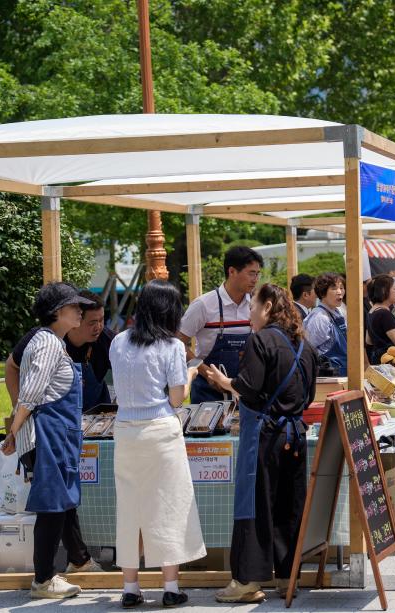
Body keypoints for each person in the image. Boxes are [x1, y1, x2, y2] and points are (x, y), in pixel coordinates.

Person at [208, 284, 319, 603]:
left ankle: (246, 581)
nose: (249, 314)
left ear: (268, 306)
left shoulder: (260, 340)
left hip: (264, 434)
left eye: (252, 308)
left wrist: (223, 382)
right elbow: (308, 394)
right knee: (288, 506)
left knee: (254, 505)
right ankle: (287, 577)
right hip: (295, 434)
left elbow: (250, 388)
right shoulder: (303, 343)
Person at [109, 281, 205, 608]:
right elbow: (178, 399)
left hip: (124, 430)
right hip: (161, 429)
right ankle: (170, 586)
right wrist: (191, 376)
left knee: (130, 508)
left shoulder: (118, 341)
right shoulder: (172, 346)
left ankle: (130, 587)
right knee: (168, 506)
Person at [0, 283, 97, 599]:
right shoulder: (48, 345)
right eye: (74, 306)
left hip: (54, 437)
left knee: (59, 506)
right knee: (52, 508)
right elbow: (30, 394)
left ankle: (72, 563)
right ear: (57, 312)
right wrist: (13, 432)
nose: (80, 311)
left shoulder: (53, 341)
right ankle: (43, 580)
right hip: (47, 437)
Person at [7, 290, 116, 412]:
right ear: (76, 319)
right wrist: (17, 405)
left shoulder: (108, 340)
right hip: (56, 418)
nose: (99, 327)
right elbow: (11, 366)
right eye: (92, 322)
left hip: (98, 416)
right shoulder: (43, 338)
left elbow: (130, 368)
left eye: (101, 320)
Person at [179, 246, 263, 403]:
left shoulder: (256, 304)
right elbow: (178, 343)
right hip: (207, 390)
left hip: (244, 389)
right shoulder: (203, 305)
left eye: (258, 274)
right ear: (232, 272)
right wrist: (204, 371)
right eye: (251, 273)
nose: (255, 279)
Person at [302, 273, 348, 376]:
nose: (340, 292)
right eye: (334, 288)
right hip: (328, 378)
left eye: (341, 288)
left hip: (342, 374)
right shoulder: (319, 317)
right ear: (322, 293)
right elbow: (307, 349)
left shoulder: (338, 312)